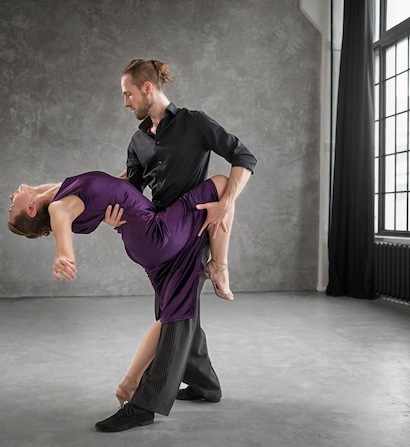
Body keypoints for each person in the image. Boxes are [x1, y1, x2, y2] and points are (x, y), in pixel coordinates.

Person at [97, 58, 257, 432]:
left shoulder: (194, 122)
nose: (125, 102)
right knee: (175, 312)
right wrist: (112, 211)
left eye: (128, 94)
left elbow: (244, 158)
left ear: (147, 88)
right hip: (163, 232)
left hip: (195, 228)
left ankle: (144, 405)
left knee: (175, 317)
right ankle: (206, 385)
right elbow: (133, 191)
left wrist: (225, 202)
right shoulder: (137, 140)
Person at [7, 170, 232, 417]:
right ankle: (219, 266)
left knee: (172, 315)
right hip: (154, 234)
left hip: (142, 239)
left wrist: (117, 185)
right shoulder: (58, 206)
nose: (10, 196)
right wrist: (64, 255)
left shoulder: (59, 191)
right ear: (30, 209)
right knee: (223, 184)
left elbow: (96, 196)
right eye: (11, 206)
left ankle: (180, 384)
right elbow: (61, 223)